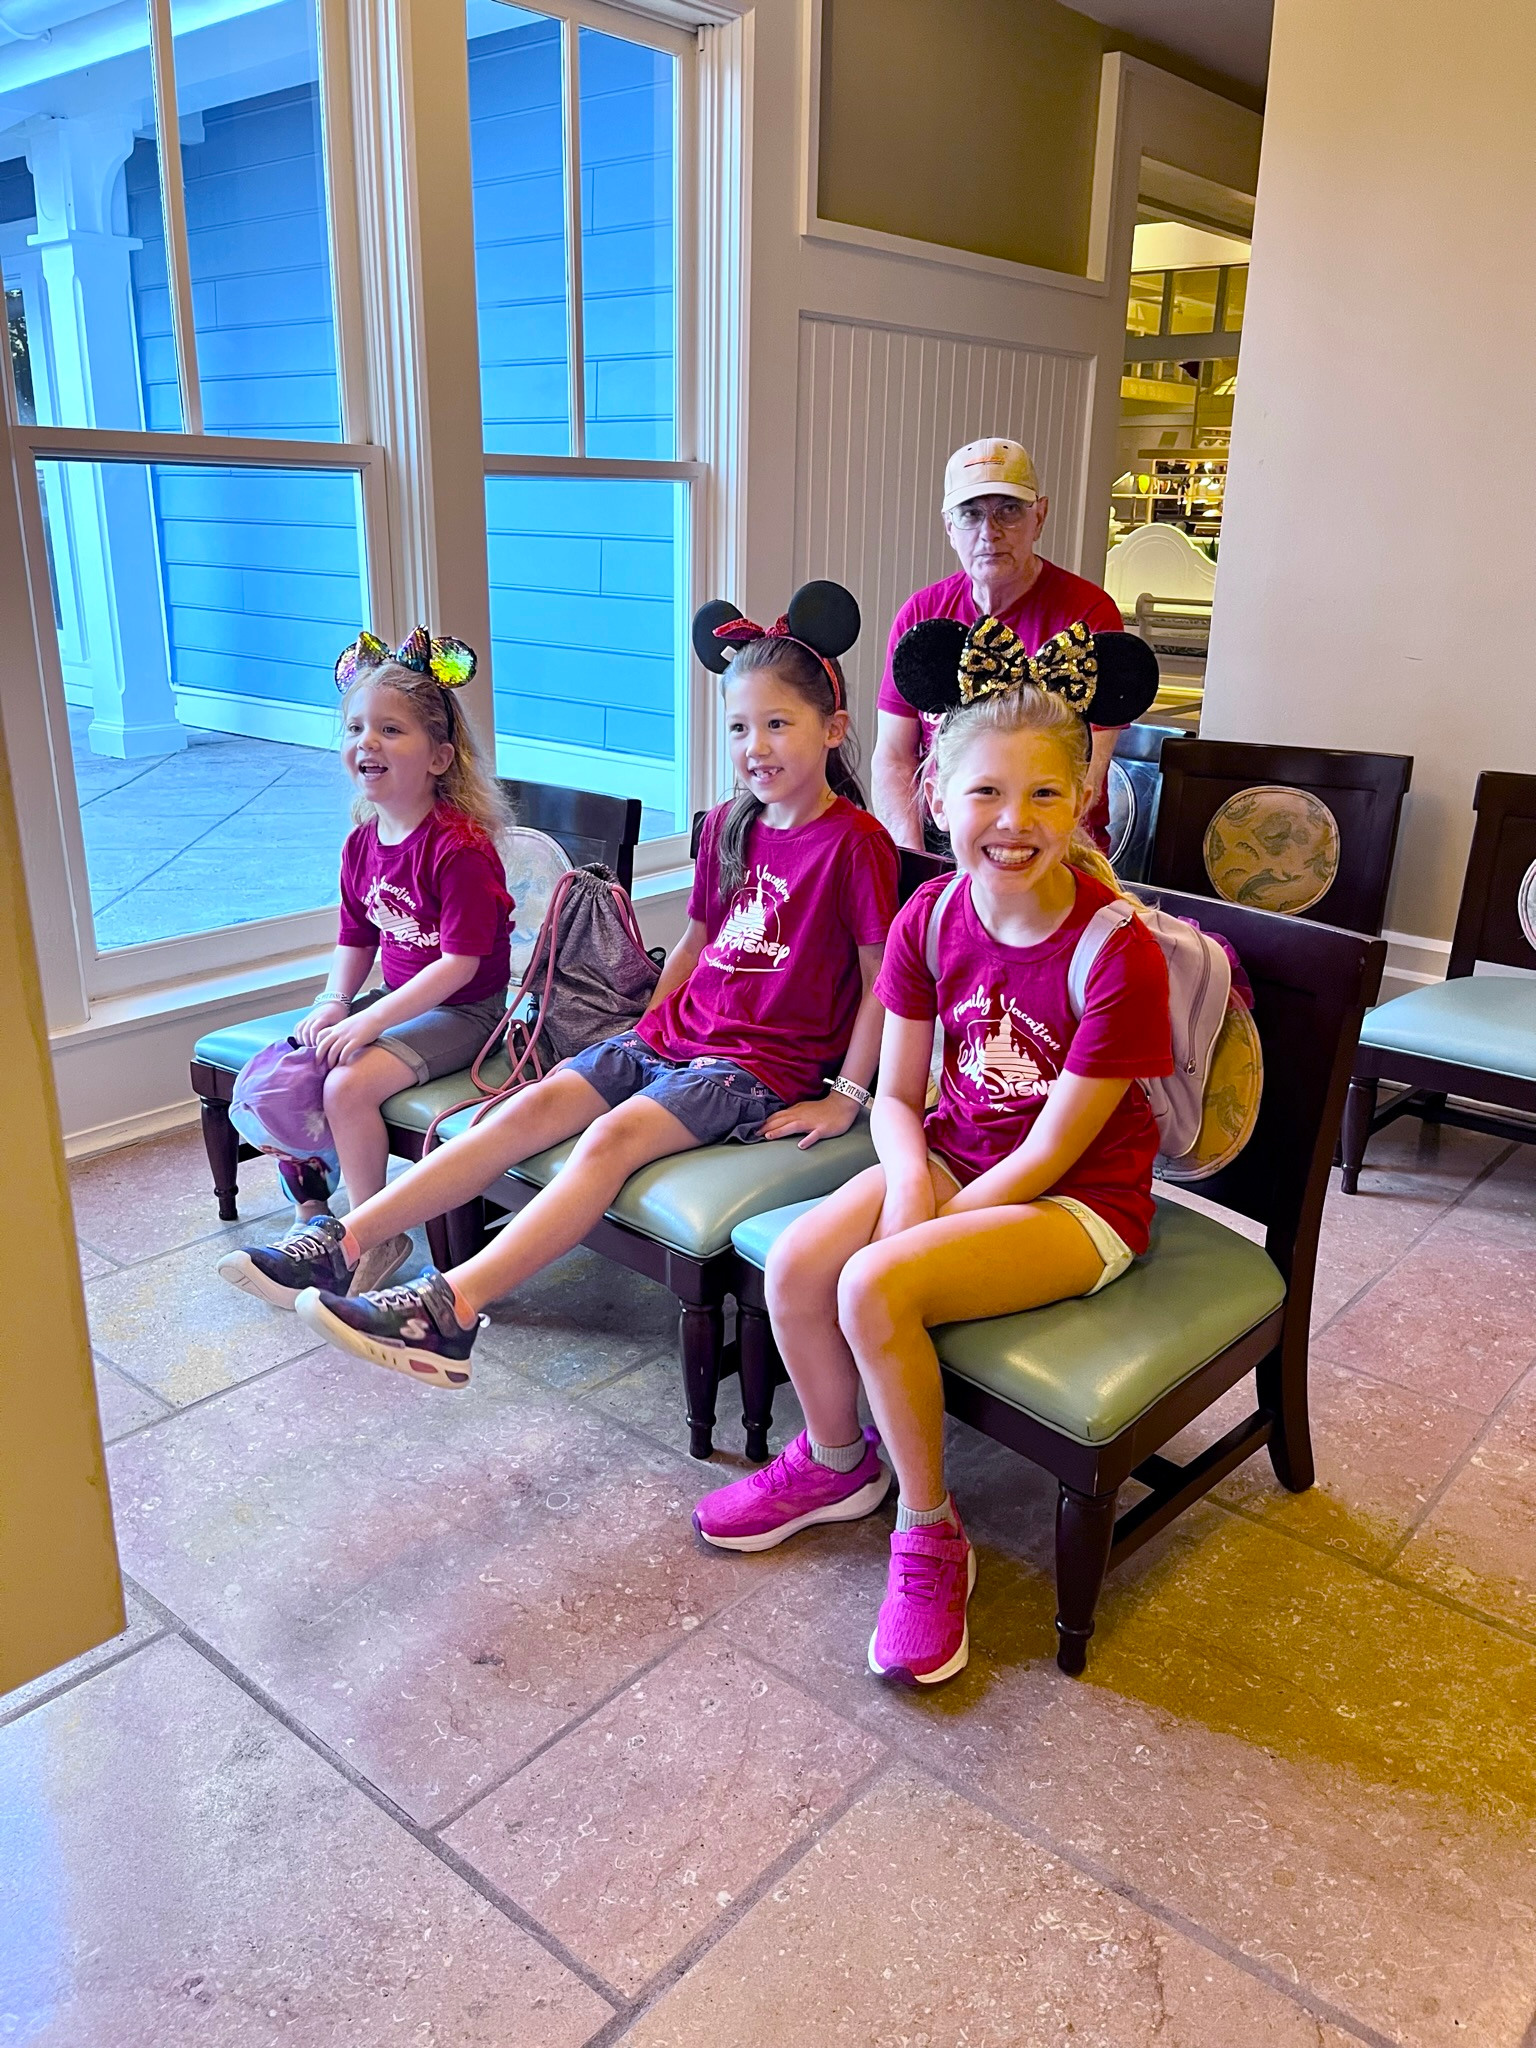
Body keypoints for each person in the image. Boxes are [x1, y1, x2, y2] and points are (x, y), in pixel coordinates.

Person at [218, 583, 901, 1391]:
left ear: (834, 729)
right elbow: (696, 942)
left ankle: (451, 1311)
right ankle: (344, 1244)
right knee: (523, 1109)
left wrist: (847, 1098)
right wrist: (647, 1024)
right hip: (671, 1038)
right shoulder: (727, 824)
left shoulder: (856, 843)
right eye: (738, 727)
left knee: (610, 1139)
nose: (756, 746)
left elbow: (881, 983)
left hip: (754, 1068)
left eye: (777, 724)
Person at [693, 621, 1171, 1688]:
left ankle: (930, 1529)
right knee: (798, 1263)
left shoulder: (1116, 950)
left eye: (1044, 795)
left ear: (1082, 801)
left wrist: (931, 1221)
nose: (1013, 821)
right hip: (953, 1153)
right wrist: (911, 1180)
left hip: (1078, 1202)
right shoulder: (930, 915)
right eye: (985, 792)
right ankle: (836, 1461)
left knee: (874, 1283)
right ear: (939, 797)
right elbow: (898, 1096)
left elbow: (1056, 1146)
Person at [220, 628, 512, 1299]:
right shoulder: (362, 842)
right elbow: (356, 936)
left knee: (346, 1086)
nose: (367, 742)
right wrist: (333, 1003)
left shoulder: (459, 847)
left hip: (468, 1014)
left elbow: (460, 965)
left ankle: (371, 1235)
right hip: (403, 1001)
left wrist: (370, 1021)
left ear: (440, 757)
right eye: (355, 728)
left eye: (390, 729)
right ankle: (313, 1214)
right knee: (285, 1074)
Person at [871, 437, 1125, 854]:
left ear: (1039, 517)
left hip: (1055, 843)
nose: (989, 532)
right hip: (945, 841)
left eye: (1008, 510)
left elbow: (1088, 771)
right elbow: (894, 757)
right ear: (949, 528)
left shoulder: (1088, 615)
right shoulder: (921, 614)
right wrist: (914, 863)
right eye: (970, 514)